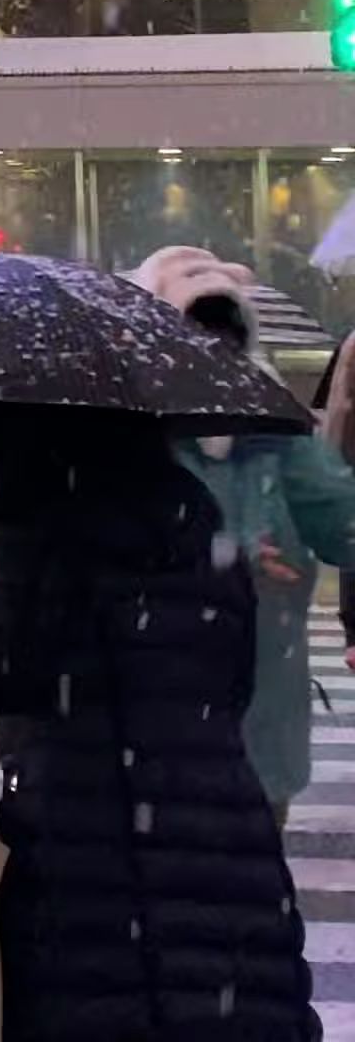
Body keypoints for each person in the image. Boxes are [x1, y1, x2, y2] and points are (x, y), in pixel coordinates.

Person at [0, 409, 316, 1040]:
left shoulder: (40, 528)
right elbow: (235, 679)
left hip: (77, 849)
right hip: (218, 834)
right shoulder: (197, 516)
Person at [142, 246, 355, 818]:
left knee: (250, 893)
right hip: (156, 732)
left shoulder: (275, 429)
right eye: (195, 331)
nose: (212, 351)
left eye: (226, 332)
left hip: (261, 732)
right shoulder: (132, 440)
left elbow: (344, 525)